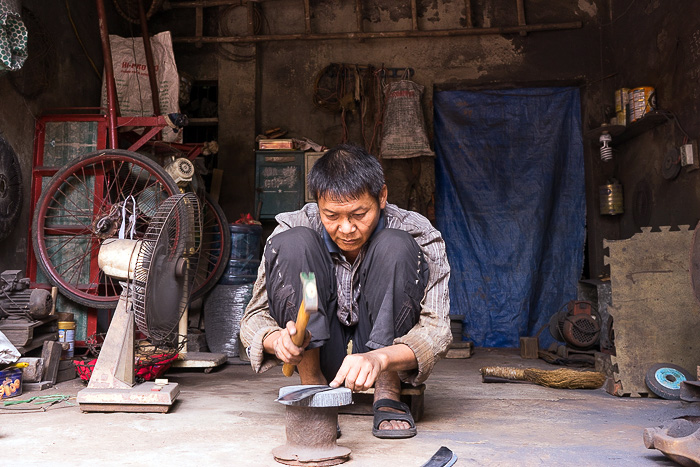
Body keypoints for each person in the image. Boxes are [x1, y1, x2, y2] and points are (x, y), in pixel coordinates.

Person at [239, 143, 451, 439]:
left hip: (383, 357)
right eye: (332, 216)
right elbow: (254, 316)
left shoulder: (418, 231)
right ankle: (311, 383)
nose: (347, 228)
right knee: (294, 244)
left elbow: (437, 329)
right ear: (317, 204)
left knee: (395, 246)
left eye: (359, 214)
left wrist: (380, 360)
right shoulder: (295, 225)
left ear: (382, 197)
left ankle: (387, 388)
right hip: (318, 347)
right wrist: (276, 340)